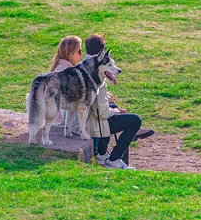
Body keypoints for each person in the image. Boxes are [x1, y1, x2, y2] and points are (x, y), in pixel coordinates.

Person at [83, 34, 154, 170]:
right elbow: (101, 113)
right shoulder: (98, 71)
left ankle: (102, 153)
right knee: (135, 120)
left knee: (114, 109)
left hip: (86, 119)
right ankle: (114, 159)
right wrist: (115, 111)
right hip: (92, 123)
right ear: (102, 52)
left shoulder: (84, 64)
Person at [49, 35, 84, 127]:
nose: (82, 55)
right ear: (71, 53)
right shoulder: (69, 73)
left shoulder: (57, 68)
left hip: (55, 120)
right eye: (79, 51)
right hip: (64, 122)